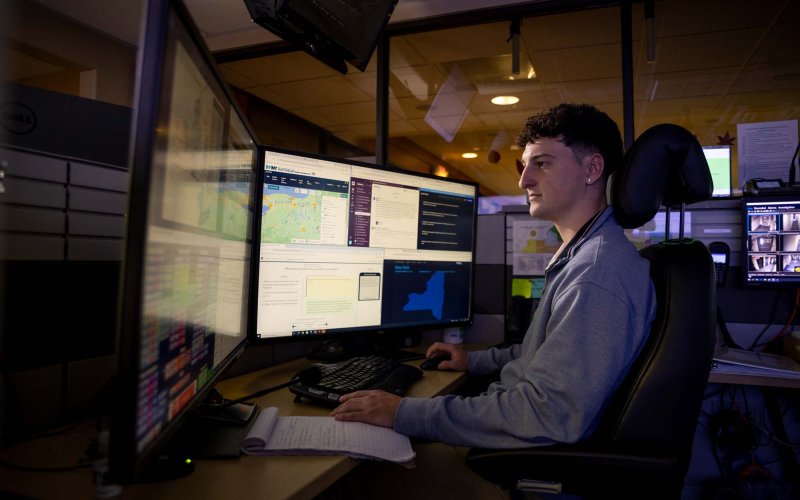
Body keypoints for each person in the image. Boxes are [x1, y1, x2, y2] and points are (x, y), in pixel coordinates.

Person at [327, 103, 656, 497]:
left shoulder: (597, 273)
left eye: (543, 164)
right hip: (513, 442)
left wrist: (403, 412)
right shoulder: (583, 256)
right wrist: (476, 360)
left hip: (525, 463)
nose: (523, 181)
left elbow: (548, 413)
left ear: (592, 169)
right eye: (524, 165)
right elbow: (547, 355)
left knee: (363, 484)